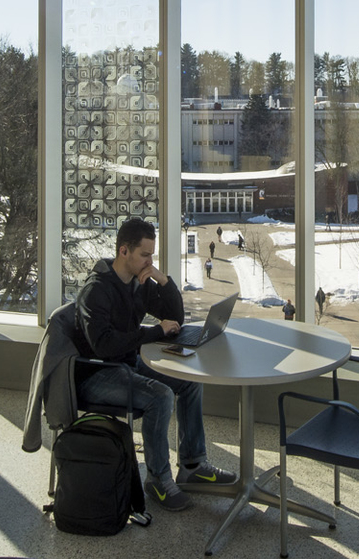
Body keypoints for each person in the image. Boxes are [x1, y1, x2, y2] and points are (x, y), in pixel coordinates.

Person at [73, 218, 235, 512]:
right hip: (96, 373)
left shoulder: (138, 283)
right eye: (145, 255)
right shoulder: (97, 290)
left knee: (188, 380)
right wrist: (153, 332)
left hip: (125, 365)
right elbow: (103, 345)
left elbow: (175, 317)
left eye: (152, 255)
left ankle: (193, 465)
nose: (150, 260)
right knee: (160, 397)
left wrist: (163, 280)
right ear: (124, 251)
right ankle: (158, 480)